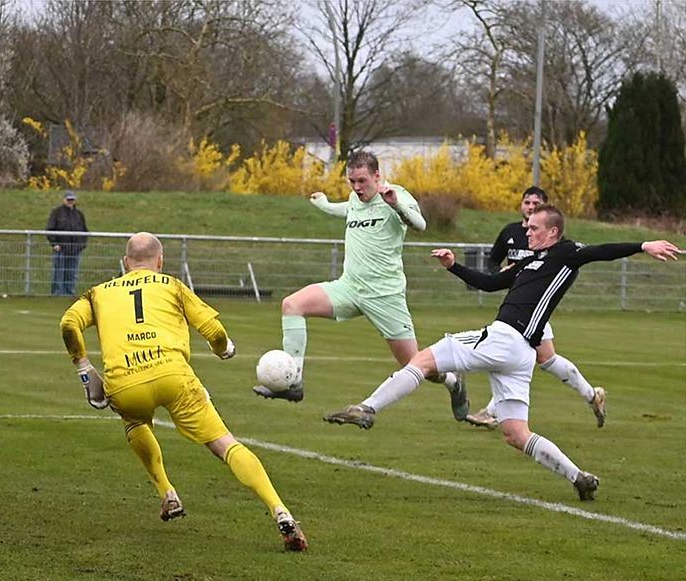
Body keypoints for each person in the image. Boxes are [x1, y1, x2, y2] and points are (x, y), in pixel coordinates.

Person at [323, 204, 680, 501]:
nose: (528, 232)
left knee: (422, 360)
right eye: (528, 227)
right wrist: (453, 266)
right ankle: (579, 477)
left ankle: (368, 409)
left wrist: (642, 244)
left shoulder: (567, 253)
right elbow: (491, 283)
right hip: (519, 355)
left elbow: (600, 252)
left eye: (535, 228)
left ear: (553, 232)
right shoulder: (530, 262)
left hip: (506, 339)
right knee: (515, 433)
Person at [60, 232, 308, 552]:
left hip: (125, 384)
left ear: (126, 263)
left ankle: (167, 493)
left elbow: (68, 324)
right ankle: (280, 511)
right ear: (160, 262)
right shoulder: (172, 285)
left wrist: (84, 369)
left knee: (135, 423)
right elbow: (214, 331)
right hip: (174, 377)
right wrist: (224, 349)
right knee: (224, 445)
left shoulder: (99, 293)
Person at [253, 149, 469, 424]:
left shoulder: (396, 195)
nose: (356, 188)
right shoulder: (356, 200)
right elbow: (345, 209)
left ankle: (452, 381)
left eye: (362, 181)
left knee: (413, 365)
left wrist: (396, 205)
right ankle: (293, 383)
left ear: (377, 176)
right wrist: (324, 204)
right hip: (349, 289)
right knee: (292, 305)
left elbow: (421, 224)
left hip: (385, 296)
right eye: (351, 181)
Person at [466, 186, 604, 429]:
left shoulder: (551, 243)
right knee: (545, 359)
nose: (530, 207)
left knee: (523, 356)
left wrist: (642, 246)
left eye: (535, 203)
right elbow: (493, 261)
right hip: (516, 306)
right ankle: (592, 395)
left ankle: (493, 411)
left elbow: (587, 254)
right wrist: (498, 273)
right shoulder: (510, 232)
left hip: (533, 309)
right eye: (527, 202)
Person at [47, 190, 88, 296]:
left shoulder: (79, 214)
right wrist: (54, 244)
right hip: (61, 249)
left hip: (75, 249)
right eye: (68, 199)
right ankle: (57, 294)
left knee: (71, 274)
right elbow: (50, 229)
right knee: (58, 273)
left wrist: (82, 245)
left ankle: (69, 294)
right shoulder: (56, 212)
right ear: (64, 200)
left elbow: (84, 230)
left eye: (72, 199)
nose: (70, 201)